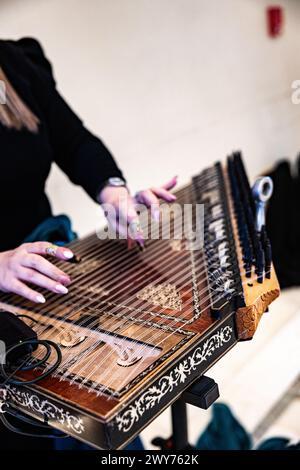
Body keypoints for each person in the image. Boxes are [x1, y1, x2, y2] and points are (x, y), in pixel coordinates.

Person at [0, 37, 177, 449]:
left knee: (100, 411)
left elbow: (75, 142)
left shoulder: (13, 62)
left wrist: (114, 193)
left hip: (45, 273)